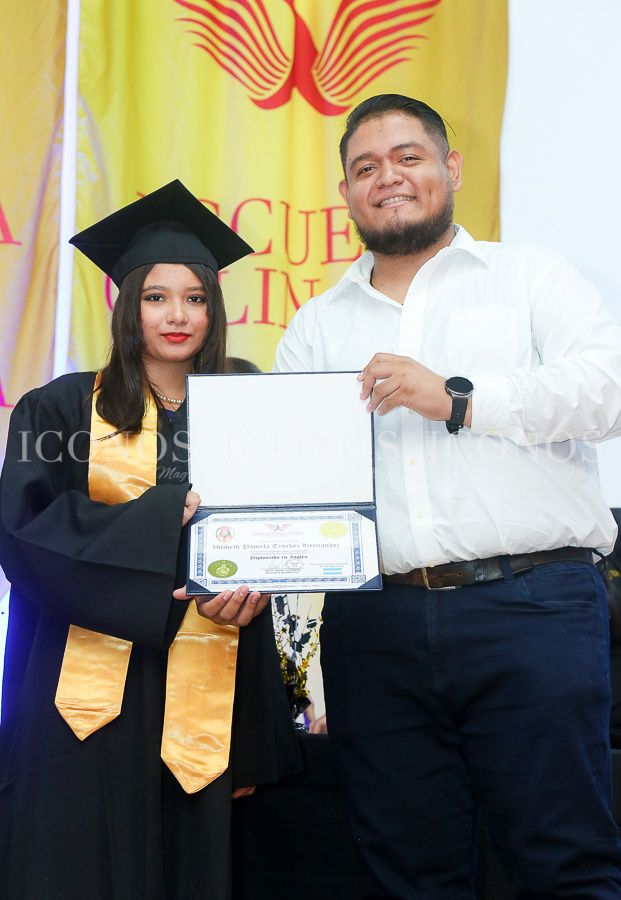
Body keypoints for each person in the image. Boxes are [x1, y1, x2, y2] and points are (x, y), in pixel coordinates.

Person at [274, 94, 621, 899]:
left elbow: (605, 392)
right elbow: (290, 480)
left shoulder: (528, 275)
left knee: (563, 865)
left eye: (408, 157)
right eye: (365, 168)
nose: (387, 178)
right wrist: (234, 547)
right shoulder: (315, 326)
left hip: (530, 606)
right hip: (376, 626)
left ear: (451, 168)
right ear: (346, 193)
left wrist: (459, 398)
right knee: (408, 878)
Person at [0, 180, 301, 900]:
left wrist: (256, 588)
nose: (177, 315)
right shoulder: (60, 407)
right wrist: (166, 515)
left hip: (210, 677)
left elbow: (272, 535)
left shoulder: (247, 409)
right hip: (83, 696)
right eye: (157, 296)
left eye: (195, 298)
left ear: (215, 309)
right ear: (127, 303)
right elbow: (25, 533)